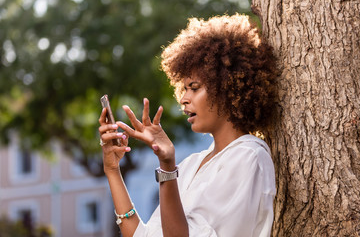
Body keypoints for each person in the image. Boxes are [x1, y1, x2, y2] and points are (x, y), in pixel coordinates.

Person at [98, 13, 277, 237]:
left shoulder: (249, 157)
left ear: (227, 87)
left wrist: (167, 169)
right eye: (183, 89)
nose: (183, 98)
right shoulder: (192, 164)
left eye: (194, 87)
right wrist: (112, 171)